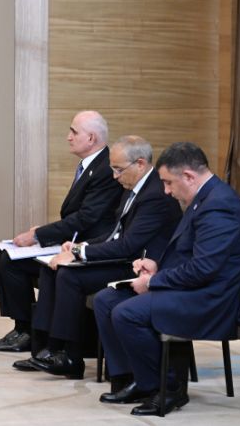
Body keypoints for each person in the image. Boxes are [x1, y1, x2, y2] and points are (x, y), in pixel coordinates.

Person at [93, 142, 240, 416]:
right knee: (106, 300)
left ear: (189, 176)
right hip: (195, 287)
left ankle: (169, 388)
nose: (166, 191)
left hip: (212, 300)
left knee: (127, 313)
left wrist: (153, 282)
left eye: (168, 183)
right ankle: (135, 379)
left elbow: (204, 269)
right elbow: (190, 255)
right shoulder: (204, 197)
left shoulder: (219, 206)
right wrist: (156, 267)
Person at [13, 136, 182, 379]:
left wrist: (79, 253)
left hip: (140, 266)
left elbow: (127, 245)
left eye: (118, 169)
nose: (114, 176)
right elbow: (115, 233)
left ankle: (71, 356)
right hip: (127, 258)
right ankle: (49, 347)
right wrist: (80, 246)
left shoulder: (154, 194)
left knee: (70, 276)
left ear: (140, 164)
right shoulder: (134, 187)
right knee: (52, 268)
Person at [0, 110, 123, 352]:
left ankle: (29, 332)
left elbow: (86, 218)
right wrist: (42, 233)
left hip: (88, 247)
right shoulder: (90, 165)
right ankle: (21, 327)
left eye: (74, 132)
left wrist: (39, 235)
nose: (68, 137)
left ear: (91, 138)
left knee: (11, 261)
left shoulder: (104, 169)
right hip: (70, 242)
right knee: (4, 255)